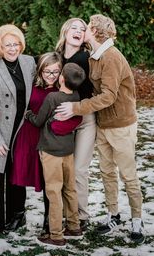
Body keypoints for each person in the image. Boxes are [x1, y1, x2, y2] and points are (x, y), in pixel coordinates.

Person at [56, 14, 144, 244]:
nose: (81, 30)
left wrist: (77, 107)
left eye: (85, 27)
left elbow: (108, 95)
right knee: (106, 172)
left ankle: (137, 219)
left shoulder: (111, 56)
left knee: (128, 174)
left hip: (122, 125)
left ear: (94, 31)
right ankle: (113, 215)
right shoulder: (95, 55)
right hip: (104, 123)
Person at [0, 24, 36, 235]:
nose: (13, 48)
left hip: (20, 129)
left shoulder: (29, 63)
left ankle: (17, 215)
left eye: (16, 44)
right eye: (7, 44)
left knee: (16, 175)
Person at [25, 63, 86, 247]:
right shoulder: (76, 97)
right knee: (70, 189)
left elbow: (38, 121)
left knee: (53, 192)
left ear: (61, 78)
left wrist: (28, 114)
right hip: (68, 150)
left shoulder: (52, 97)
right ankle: (74, 226)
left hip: (51, 151)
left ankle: (56, 235)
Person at [10, 52, 62, 233]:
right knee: (19, 174)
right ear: (40, 70)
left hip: (48, 137)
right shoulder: (30, 84)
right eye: (47, 72)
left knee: (49, 178)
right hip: (27, 134)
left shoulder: (62, 90)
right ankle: (18, 214)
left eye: (55, 72)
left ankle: (49, 218)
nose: (51, 76)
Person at [55, 17, 96, 230]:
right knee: (65, 168)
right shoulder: (57, 57)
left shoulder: (88, 58)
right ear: (65, 31)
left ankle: (82, 215)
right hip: (63, 116)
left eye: (83, 29)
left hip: (85, 118)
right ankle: (66, 213)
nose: (79, 31)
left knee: (79, 168)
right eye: (74, 27)